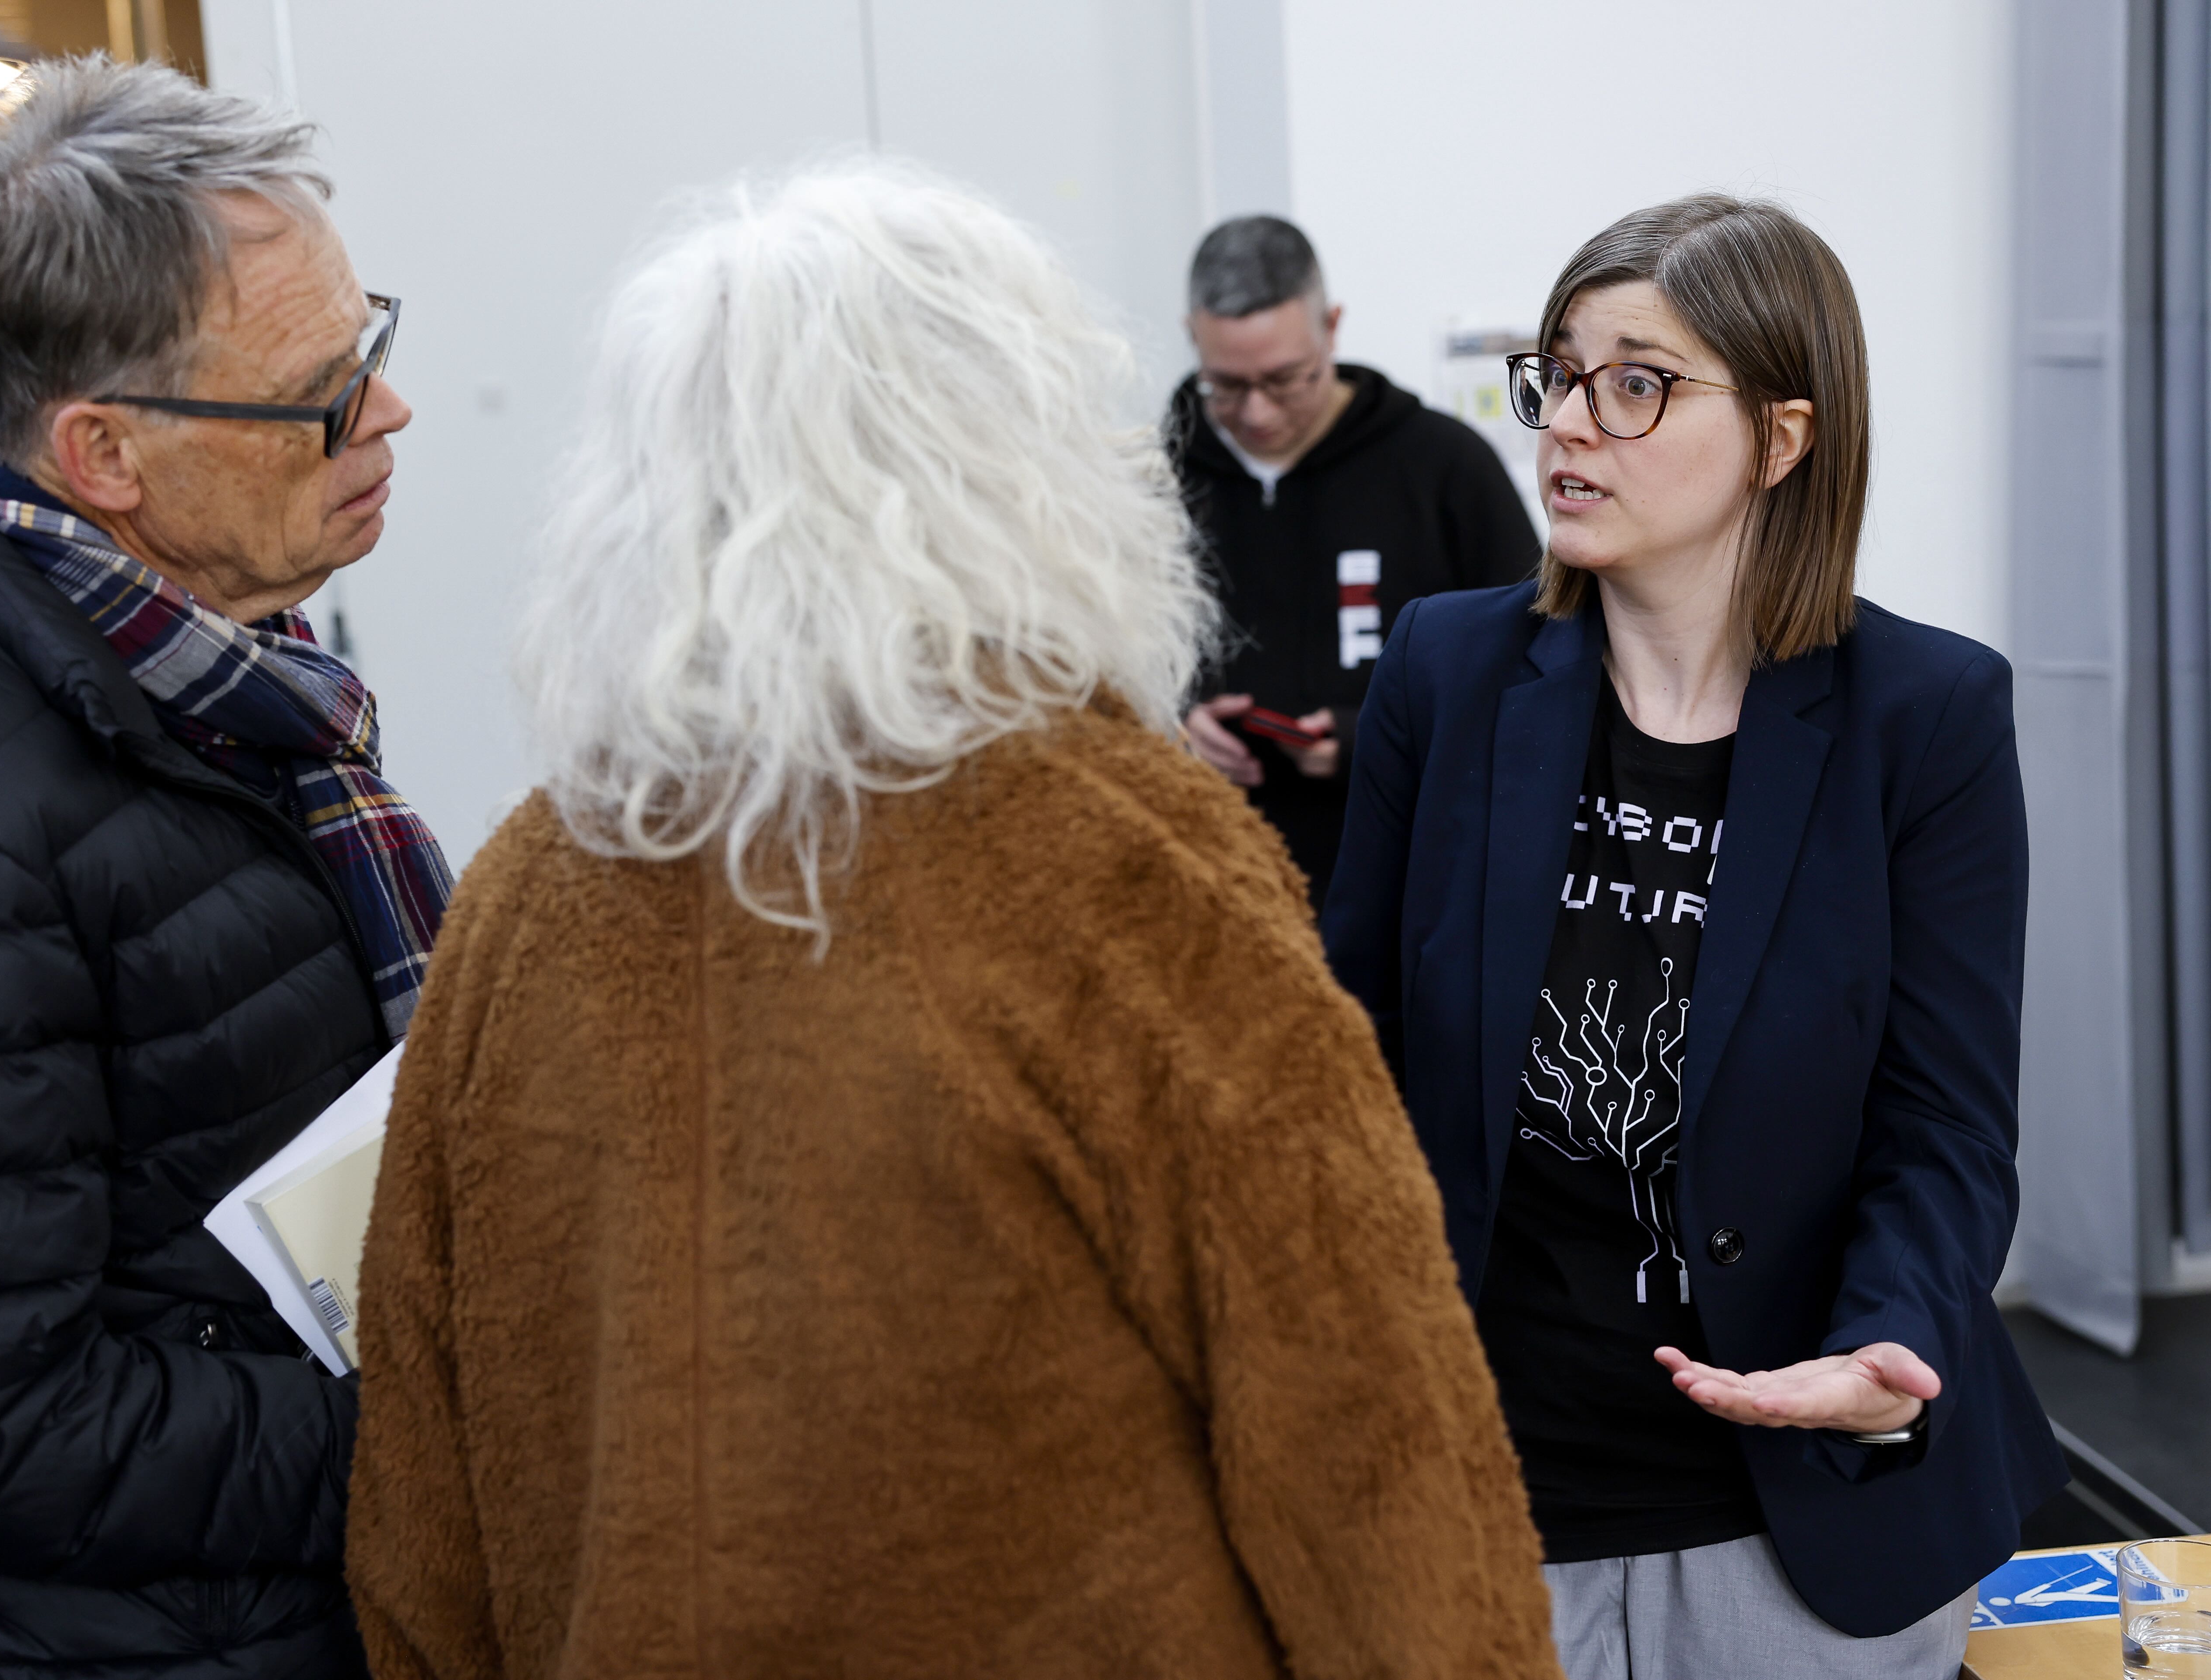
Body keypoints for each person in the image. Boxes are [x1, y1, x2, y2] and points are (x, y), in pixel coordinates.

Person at [344, 163, 1558, 1680]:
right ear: (1015, 453)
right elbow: (1367, 1432)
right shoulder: (1121, 854)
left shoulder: (525, 887)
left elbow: (415, 1483)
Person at [0, 57, 445, 1680]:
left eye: (370, 341)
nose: (386, 411)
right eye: (326, 390)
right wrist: (442, 1432)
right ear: (103, 454)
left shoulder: (203, 652)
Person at [1320, 195, 2066, 1679]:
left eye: (1636, 382)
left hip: (1798, 1522)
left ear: (1781, 440)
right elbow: (1347, 1061)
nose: (1566, 428)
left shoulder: (1921, 722)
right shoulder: (1446, 672)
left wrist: (1883, 1355)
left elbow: (1942, 1127)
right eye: (1558, 375)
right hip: (1486, 1484)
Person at [1170, 215, 1538, 906]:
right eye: (1225, 384)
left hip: (1405, 888)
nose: (1256, 412)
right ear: (1193, 337)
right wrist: (1176, 724)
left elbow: (1533, 670)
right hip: (1204, 890)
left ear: (1332, 327)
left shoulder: (1443, 468)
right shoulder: (1149, 478)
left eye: (1285, 380)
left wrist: (1368, 739)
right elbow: (1087, 682)